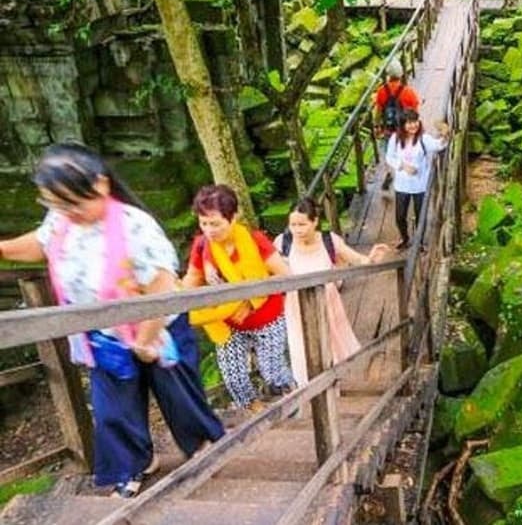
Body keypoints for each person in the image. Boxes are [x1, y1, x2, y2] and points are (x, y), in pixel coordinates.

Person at [0, 143, 224, 498]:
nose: (66, 212)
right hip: (104, 335)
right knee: (112, 409)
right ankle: (132, 465)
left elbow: (162, 289)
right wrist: (4, 248)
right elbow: (42, 243)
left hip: (157, 325)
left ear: (101, 185)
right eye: (56, 204)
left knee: (178, 394)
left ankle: (201, 446)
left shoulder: (136, 227)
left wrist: (146, 340)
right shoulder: (62, 219)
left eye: (74, 202)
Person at [182, 185, 294, 412]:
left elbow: (285, 275)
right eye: (203, 223)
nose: (209, 230)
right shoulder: (202, 246)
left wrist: (250, 298)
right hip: (227, 320)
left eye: (215, 223)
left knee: (272, 372)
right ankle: (256, 412)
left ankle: (293, 394)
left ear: (233, 218)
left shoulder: (255, 241)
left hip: (266, 317)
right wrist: (175, 301)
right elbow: (192, 278)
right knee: (233, 376)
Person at [275, 198, 392, 385]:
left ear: (314, 222)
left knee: (331, 345)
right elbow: (272, 271)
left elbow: (357, 259)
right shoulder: (283, 242)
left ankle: (330, 382)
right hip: (295, 305)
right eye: (293, 225)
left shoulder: (329, 241)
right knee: (300, 348)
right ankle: (309, 388)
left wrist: (371, 258)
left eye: (302, 224)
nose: (297, 230)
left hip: (327, 302)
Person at [385, 110, 450, 249]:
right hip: (402, 184)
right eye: (409, 123)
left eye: (415, 122)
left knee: (420, 215)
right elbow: (389, 157)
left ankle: (419, 241)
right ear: (402, 125)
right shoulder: (395, 138)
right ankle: (405, 238)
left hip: (420, 184)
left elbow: (439, 145)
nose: (413, 125)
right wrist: (402, 166)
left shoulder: (423, 138)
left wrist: (445, 135)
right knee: (400, 216)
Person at [373, 57, 420, 136]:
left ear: (388, 74)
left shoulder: (381, 91)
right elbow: (415, 113)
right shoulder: (409, 92)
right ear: (401, 73)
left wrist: (377, 126)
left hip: (389, 130)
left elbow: (378, 112)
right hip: (404, 131)